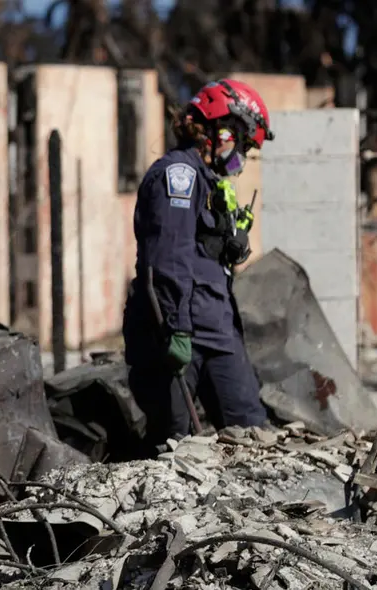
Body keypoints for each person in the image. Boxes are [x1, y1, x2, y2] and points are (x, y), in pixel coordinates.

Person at [122, 80, 274, 457]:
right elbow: (167, 259)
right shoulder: (178, 176)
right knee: (174, 443)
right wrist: (176, 329)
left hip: (217, 330)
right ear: (220, 130)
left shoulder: (211, 183)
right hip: (178, 334)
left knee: (251, 434)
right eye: (243, 144)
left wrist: (230, 243)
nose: (242, 156)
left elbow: (201, 256)